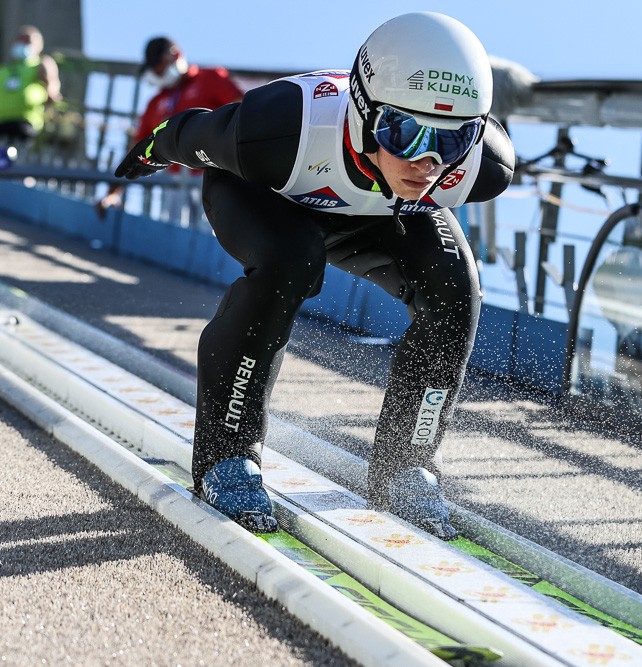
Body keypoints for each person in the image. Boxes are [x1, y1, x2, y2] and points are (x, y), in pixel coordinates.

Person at [115, 12, 515, 539]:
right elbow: (188, 132)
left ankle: (406, 464)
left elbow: (436, 158)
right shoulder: (279, 128)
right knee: (290, 262)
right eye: (406, 133)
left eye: (454, 138)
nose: (429, 163)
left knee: (457, 291)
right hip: (267, 189)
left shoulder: (484, 166)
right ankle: (227, 454)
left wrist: (425, 143)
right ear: (366, 115)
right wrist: (150, 149)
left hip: (379, 211)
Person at [97, 36, 243, 221]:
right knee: (174, 229)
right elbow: (136, 150)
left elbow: (242, 111)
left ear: (176, 55)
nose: (158, 73)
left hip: (217, 175)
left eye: (161, 67)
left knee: (213, 230)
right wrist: (113, 192)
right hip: (174, 184)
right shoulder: (155, 102)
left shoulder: (210, 78)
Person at [0, 25, 61, 145]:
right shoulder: (4, 70)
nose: (23, 44)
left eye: (27, 42)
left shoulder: (40, 65)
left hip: (24, 123)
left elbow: (52, 90)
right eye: (20, 40)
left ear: (38, 47)